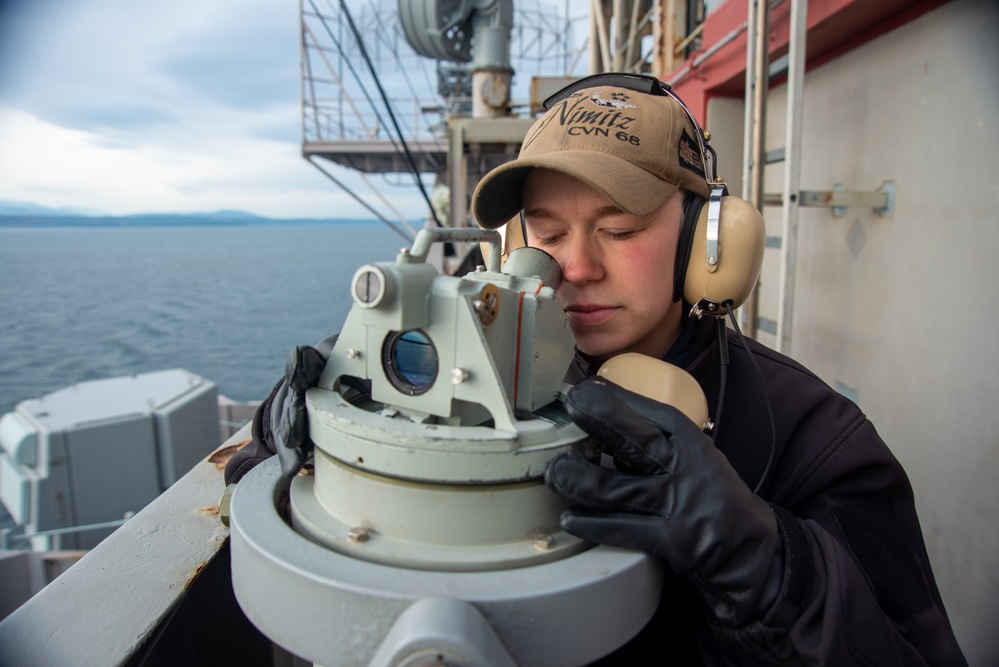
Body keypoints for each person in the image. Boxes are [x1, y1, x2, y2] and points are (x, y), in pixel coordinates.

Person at [226, 73, 967, 665]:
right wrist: (293, 420)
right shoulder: (449, 362)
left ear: (706, 243)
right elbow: (268, 481)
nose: (575, 266)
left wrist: (771, 567)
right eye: (545, 233)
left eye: (620, 228)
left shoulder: (820, 441)